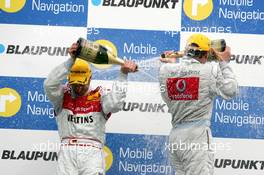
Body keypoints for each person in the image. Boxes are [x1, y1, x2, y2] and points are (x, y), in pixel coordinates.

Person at [43, 42, 137, 175]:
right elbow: (49, 84)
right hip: (67, 152)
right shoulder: (62, 95)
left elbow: (116, 104)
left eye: (82, 84)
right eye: (75, 84)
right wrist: (71, 61)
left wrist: (123, 74)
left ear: (90, 78)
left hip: (92, 153)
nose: (78, 88)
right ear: (69, 79)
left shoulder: (99, 94)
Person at [159, 33, 238, 175]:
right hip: (196, 137)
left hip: (176, 138)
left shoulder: (165, 71)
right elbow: (231, 90)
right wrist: (223, 62)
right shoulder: (209, 70)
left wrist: (170, 64)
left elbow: (167, 97)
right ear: (205, 55)